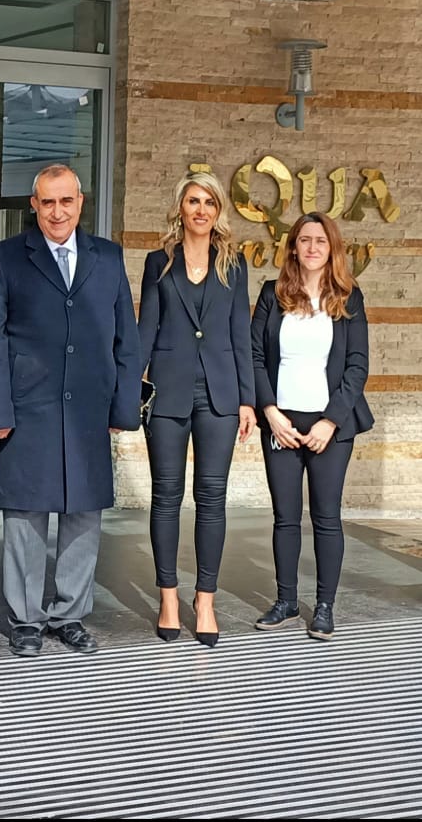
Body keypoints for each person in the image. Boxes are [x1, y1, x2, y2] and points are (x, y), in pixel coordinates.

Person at [0, 163, 141, 658]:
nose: (57, 211)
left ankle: (70, 614)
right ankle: (25, 619)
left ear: (80, 202)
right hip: (28, 406)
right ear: (34, 205)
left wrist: (124, 409)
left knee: (83, 511)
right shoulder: (7, 256)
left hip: (89, 407)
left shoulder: (107, 257)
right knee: (26, 512)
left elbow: (126, 338)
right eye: (47, 202)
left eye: (66, 201)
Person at [137, 171, 257, 647]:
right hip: (168, 391)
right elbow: (146, 329)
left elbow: (241, 335)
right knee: (166, 496)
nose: (201, 209)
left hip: (220, 394)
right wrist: (130, 392)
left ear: (218, 210)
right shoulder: (158, 262)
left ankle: (205, 599)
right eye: (193, 201)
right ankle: (168, 597)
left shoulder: (234, 264)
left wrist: (247, 399)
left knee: (212, 497)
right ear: (180, 208)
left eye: (209, 201)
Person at [251, 212, 371, 641]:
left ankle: (323, 607)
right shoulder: (272, 294)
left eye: (321, 240)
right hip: (281, 422)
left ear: (332, 247)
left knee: (326, 517)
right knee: (285, 517)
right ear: (293, 247)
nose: (313, 247)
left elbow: (357, 366)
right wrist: (270, 412)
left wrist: (330, 421)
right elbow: (254, 356)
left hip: (330, 427)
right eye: (305, 240)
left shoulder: (349, 297)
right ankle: (286, 601)